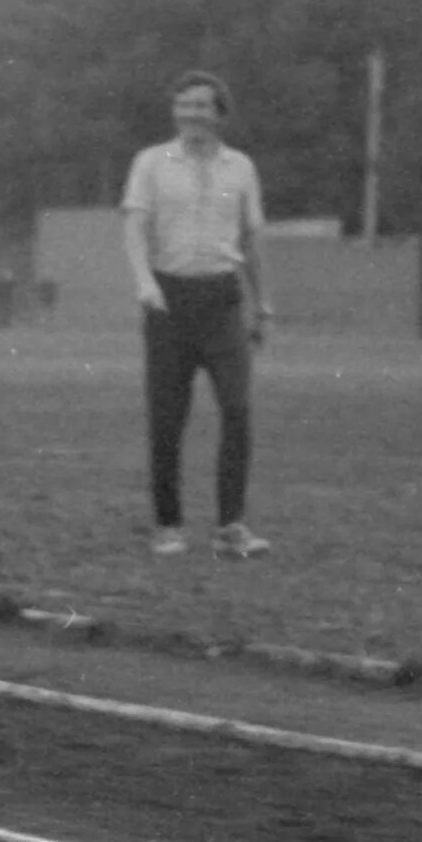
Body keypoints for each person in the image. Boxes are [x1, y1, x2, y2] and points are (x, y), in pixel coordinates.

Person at [121, 69, 273, 559]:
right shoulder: (151, 163)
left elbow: (252, 239)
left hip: (223, 301)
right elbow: (135, 227)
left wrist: (262, 303)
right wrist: (145, 283)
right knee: (167, 418)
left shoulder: (240, 168)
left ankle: (232, 525)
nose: (191, 114)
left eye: (201, 106)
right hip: (169, 299)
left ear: (220, 114)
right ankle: (168, 524)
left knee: (237, 409)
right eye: (183, 105)